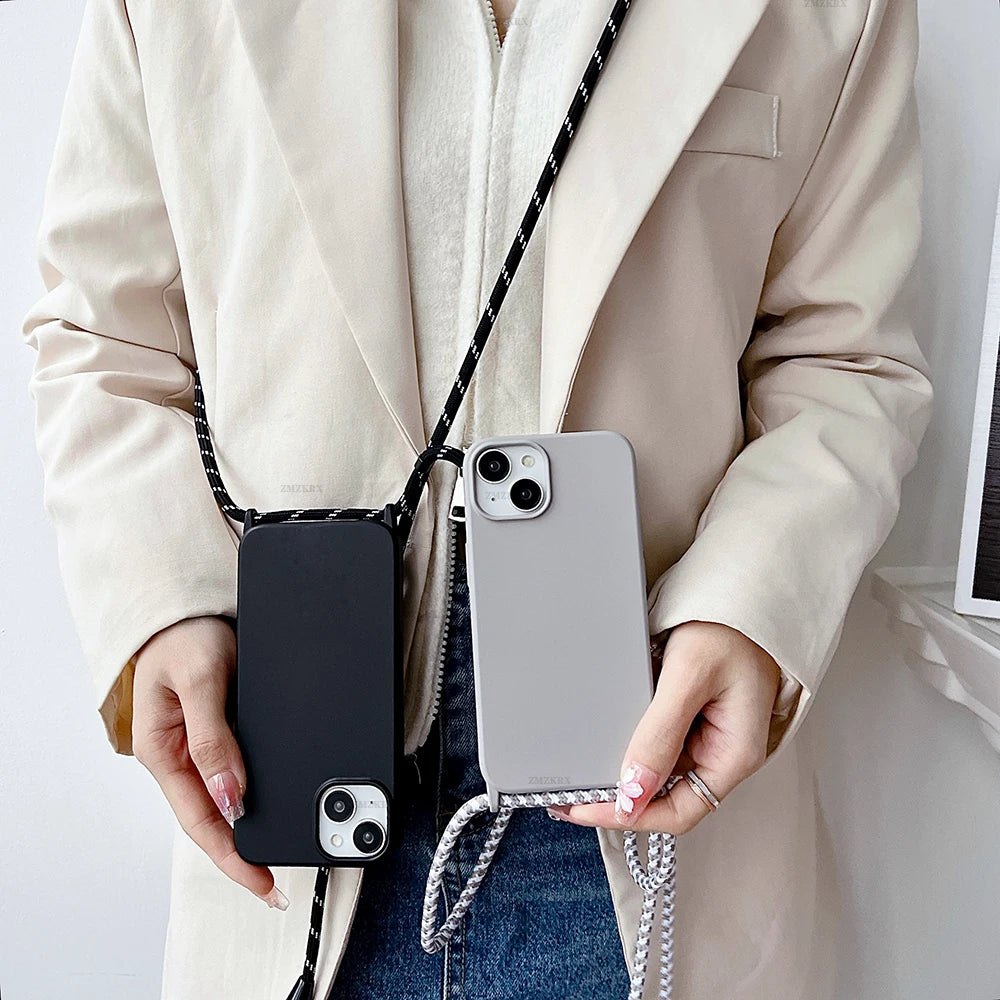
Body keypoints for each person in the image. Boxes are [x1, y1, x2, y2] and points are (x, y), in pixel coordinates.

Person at [20, 0, 933, 997]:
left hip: (645, 793)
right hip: (293, 783)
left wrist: (752, 603)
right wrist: (162, 601)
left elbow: (842, 358)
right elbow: (101, 333)